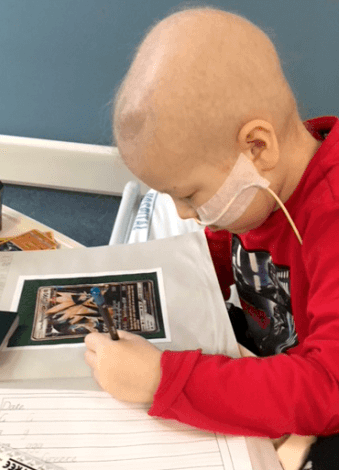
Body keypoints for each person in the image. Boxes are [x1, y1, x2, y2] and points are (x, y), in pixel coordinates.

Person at [84, 7, 339, 468]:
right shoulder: (253, 198)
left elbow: (327, 386)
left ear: (256, 148)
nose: (184, 214)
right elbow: (216, 259)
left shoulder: (330, 218)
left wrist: (163, 380)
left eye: (190, 195)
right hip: (280, 350)